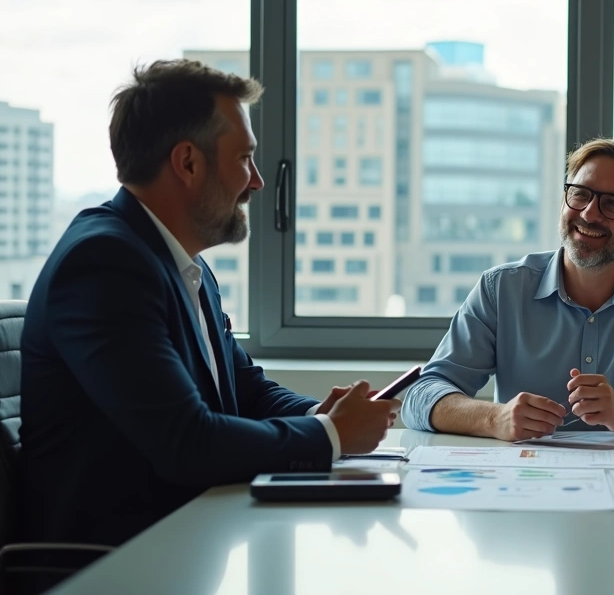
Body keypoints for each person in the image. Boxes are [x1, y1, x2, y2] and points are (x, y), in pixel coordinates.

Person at [19, 60, 401, 548]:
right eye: (244, 158)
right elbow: (187, 443)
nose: (258, 181)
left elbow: (244, 390)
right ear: (188, 163)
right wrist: (331, 436)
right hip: (123, 563)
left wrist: (327, 415)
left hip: (190, 536)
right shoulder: (104, 264)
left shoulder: (180, 263)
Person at [403, 139, 614, 440]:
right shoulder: (502, 289)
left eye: (612, 204)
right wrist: (495, 418)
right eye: (579, 194)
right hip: (527, 485)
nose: (588, 213)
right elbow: (422, 395)